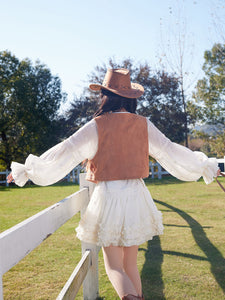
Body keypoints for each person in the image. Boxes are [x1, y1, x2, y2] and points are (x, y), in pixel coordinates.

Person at [7, 68, 220, 300]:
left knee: (114, 267)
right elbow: (169, 150)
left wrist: (30, 170)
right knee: (130, 266)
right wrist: (203, 166)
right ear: (129, 97)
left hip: (109, 196)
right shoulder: (143, 125)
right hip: (137, 195)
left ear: (105, 96)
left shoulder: (98, 125)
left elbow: (67, 150)